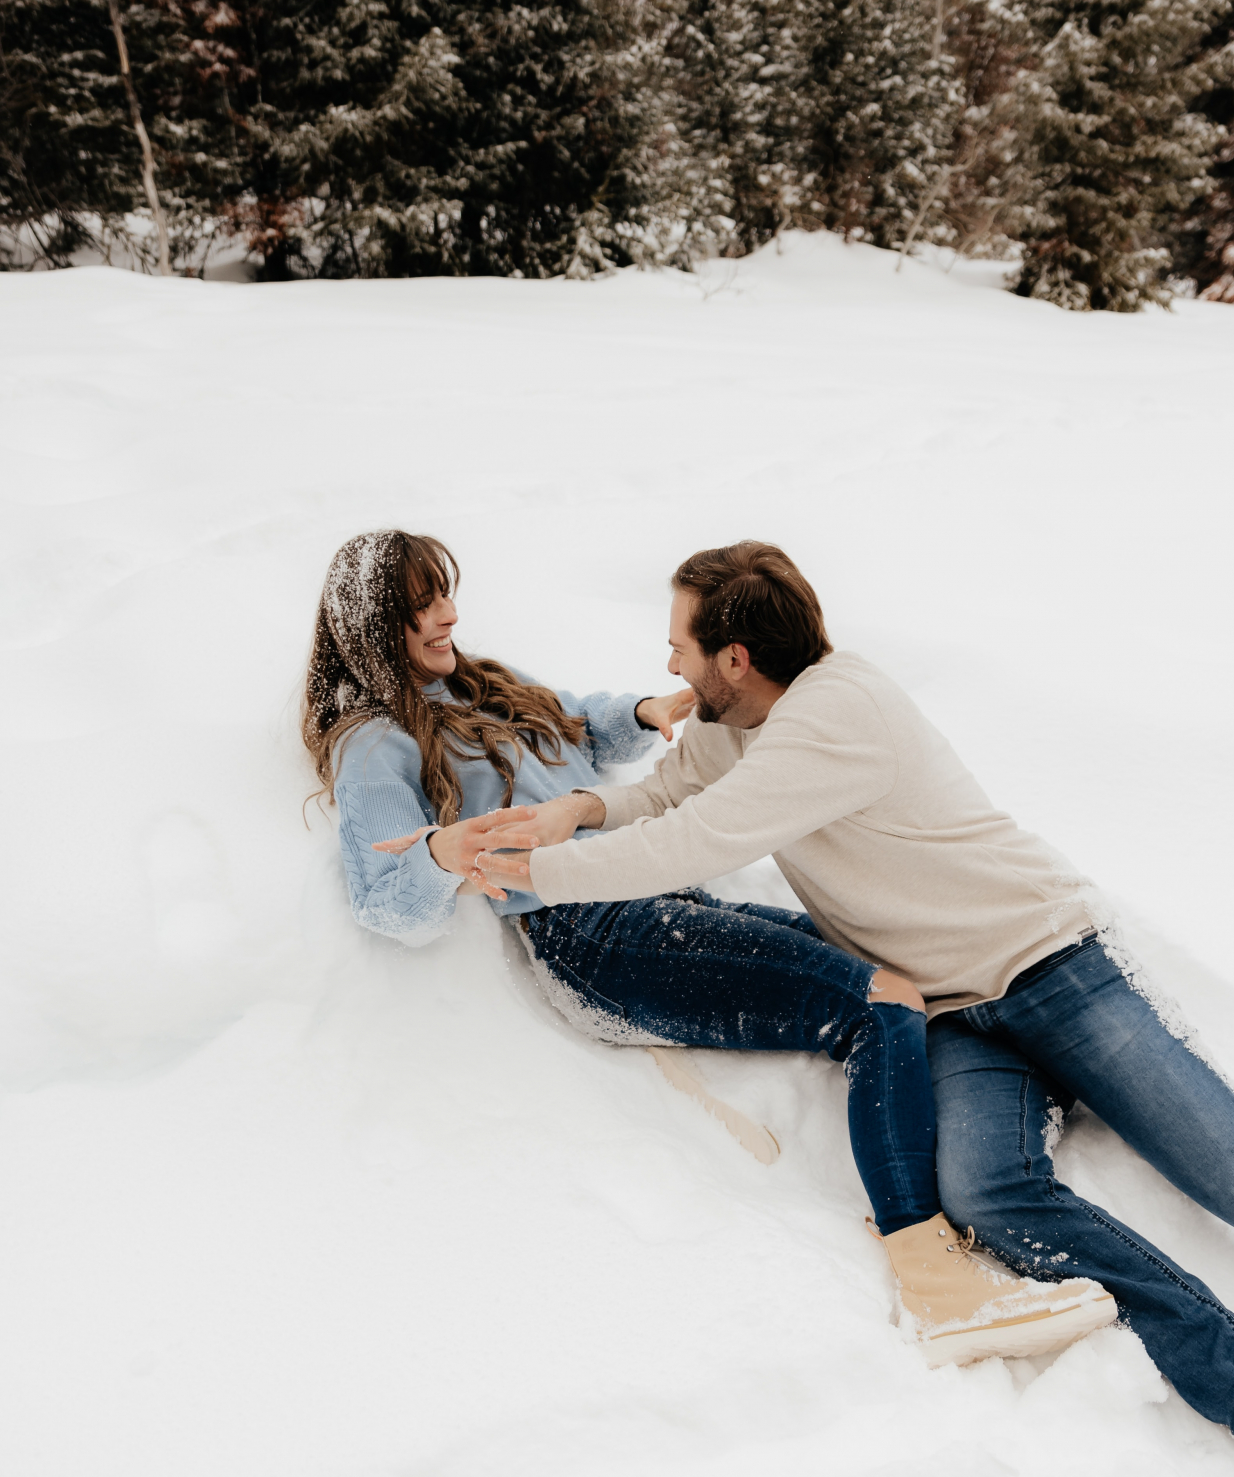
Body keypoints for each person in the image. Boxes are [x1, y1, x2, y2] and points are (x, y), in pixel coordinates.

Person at [476, 538, 1234, 1477]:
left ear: (735, 657)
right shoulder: (743, 722)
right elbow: (676, 792)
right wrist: (576, 813)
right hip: (950, 1013)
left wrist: (524, 875)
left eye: (682, 646)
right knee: (984, 1193)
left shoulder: (835, 717)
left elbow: (692, 843)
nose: (671, 664)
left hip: (1052, 968)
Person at [302, 529, 1114, 1370]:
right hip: (590, 934)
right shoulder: (374, 742)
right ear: (373, 624)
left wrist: (639, 716)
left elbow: (571, 725)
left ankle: (996, 1135)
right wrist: (443, 851)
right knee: (875, 1000)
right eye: (424, 605)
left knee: (893, 977)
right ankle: (934, 1281)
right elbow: (381, 896)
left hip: (645, 899)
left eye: (446, 594)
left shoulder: (472, 685)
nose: (449, 615)